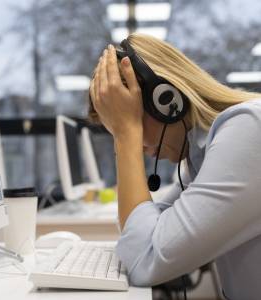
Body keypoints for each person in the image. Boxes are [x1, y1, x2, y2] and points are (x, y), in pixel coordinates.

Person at [88, 33, 261, 300]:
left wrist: (126, 137)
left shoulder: (249, 129)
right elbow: (137, 233)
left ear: (165, 99)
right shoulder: (203, 154)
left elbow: (145, 260)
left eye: (131, 119)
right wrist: (125, 133)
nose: (140, 147)